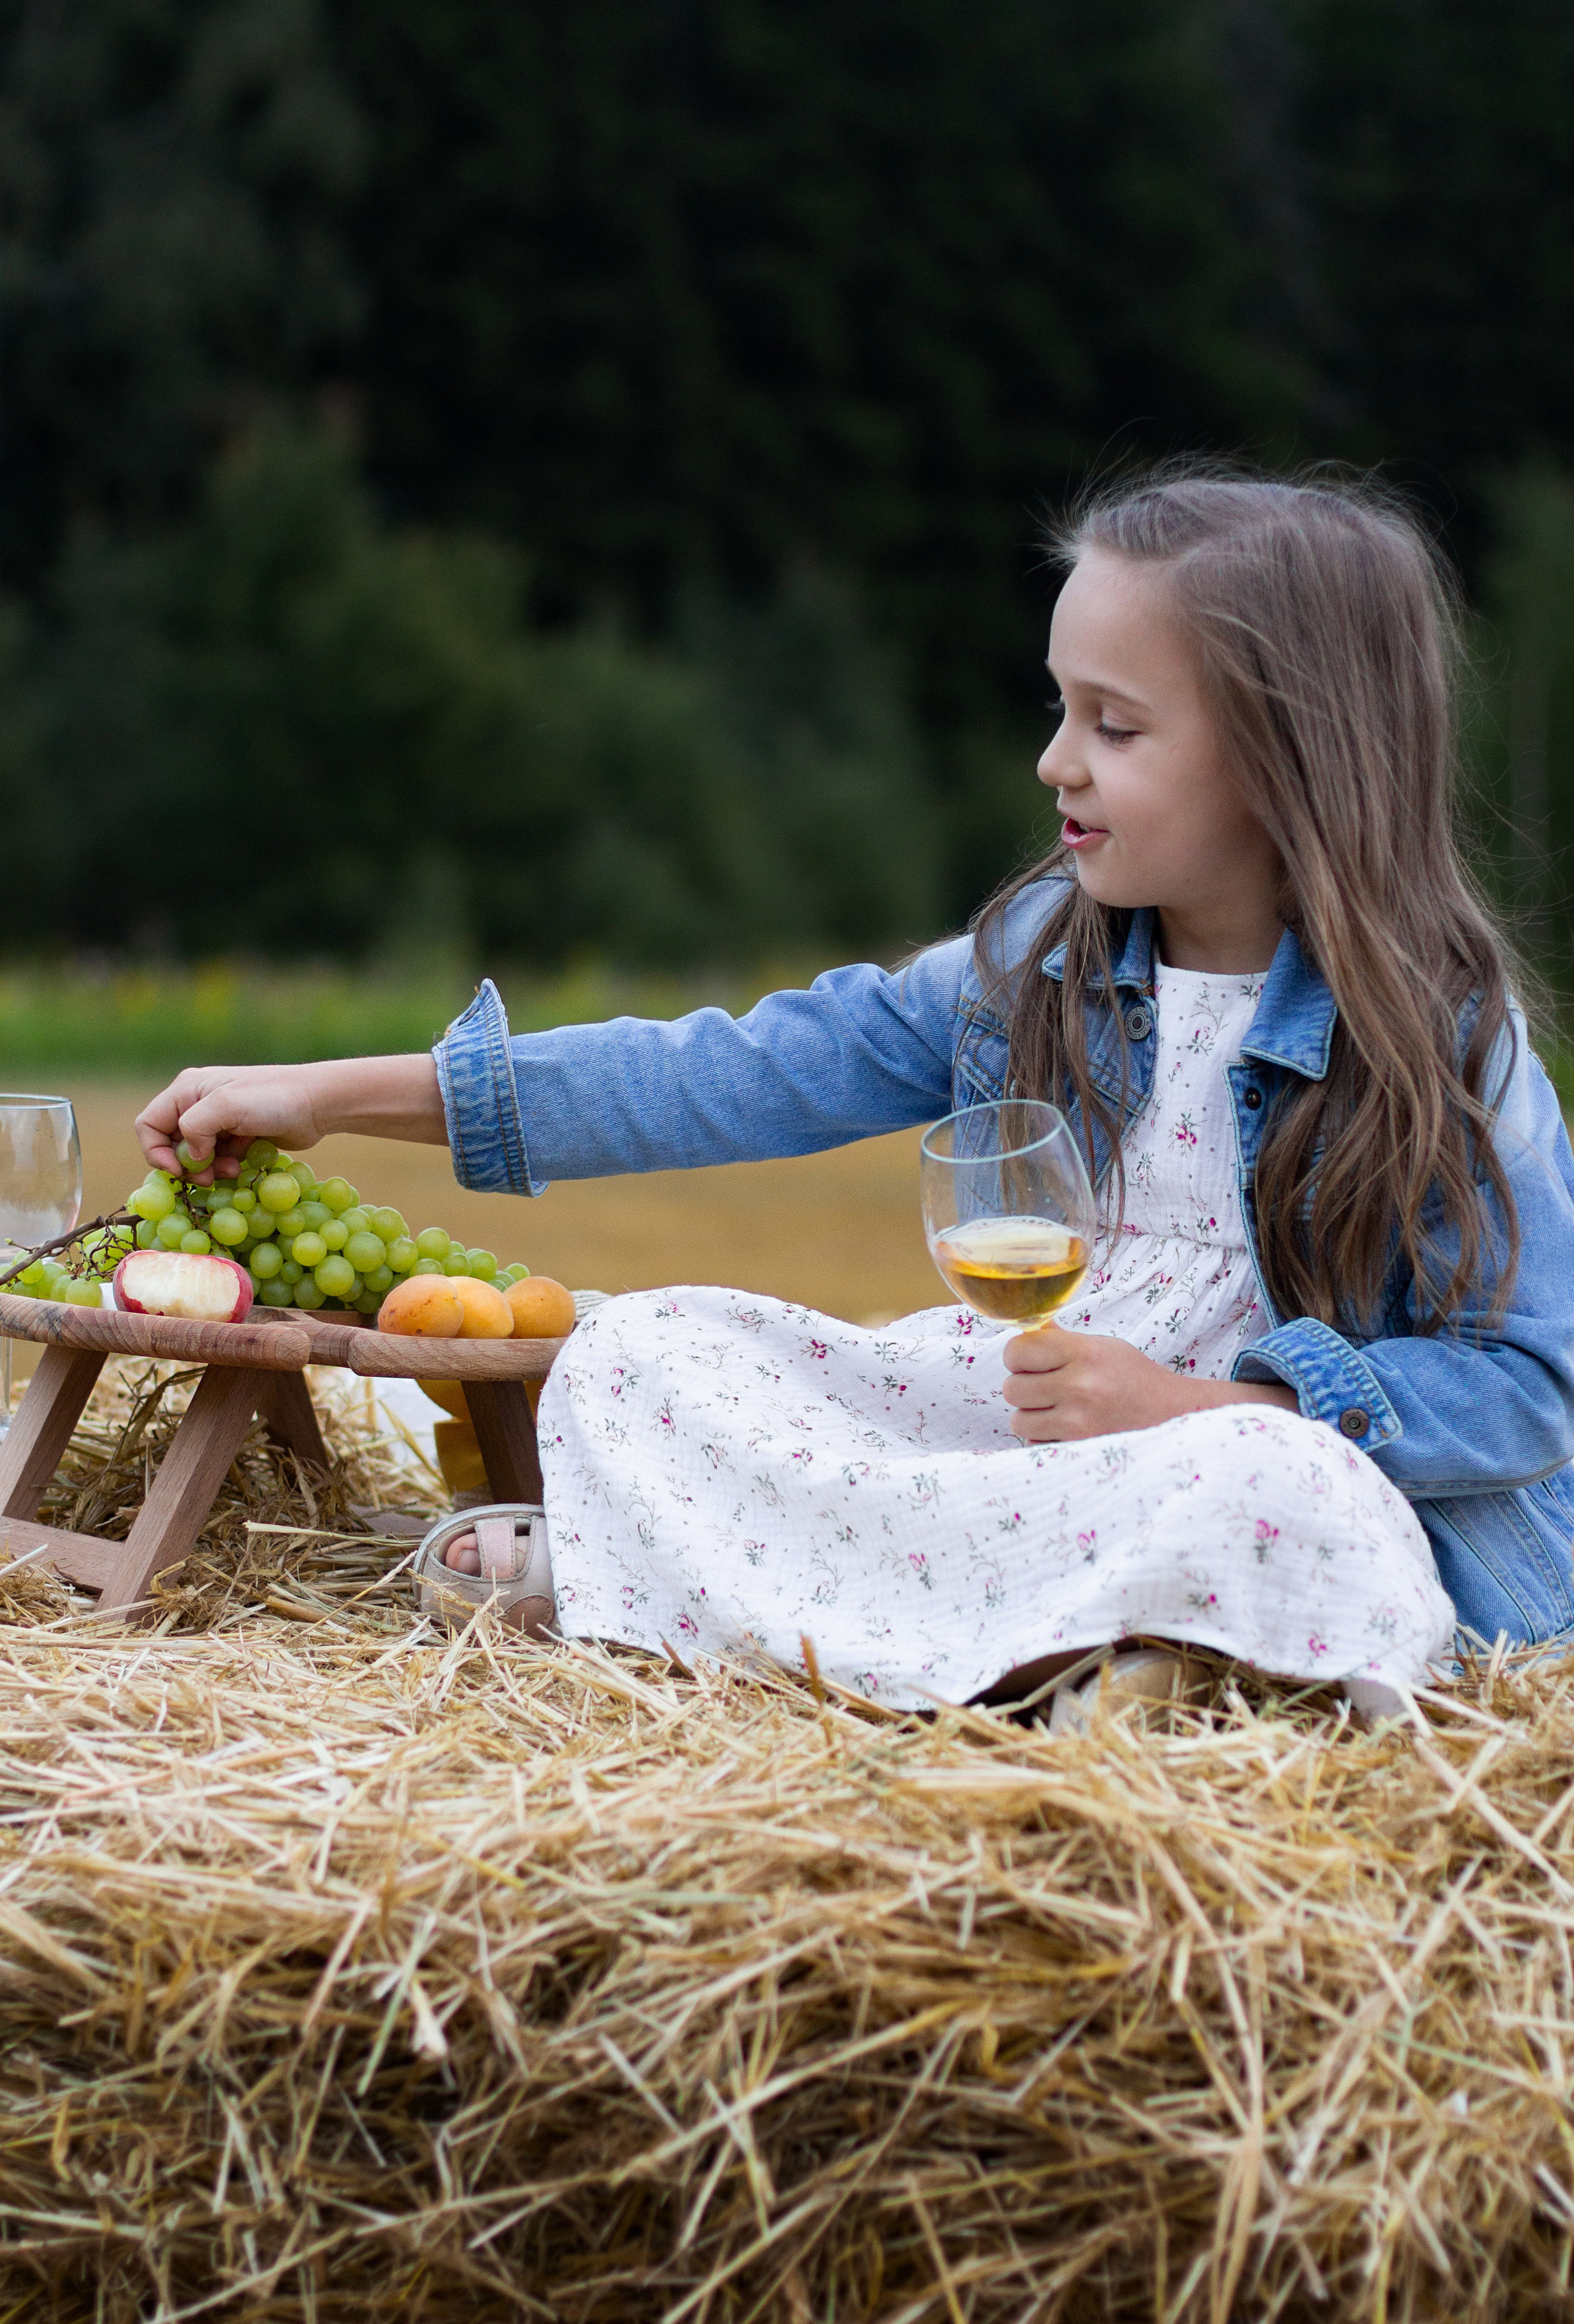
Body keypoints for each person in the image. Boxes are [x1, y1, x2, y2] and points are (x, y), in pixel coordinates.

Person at [136, 471, 1574, 1713]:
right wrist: (332, 1090)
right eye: (1057, 709)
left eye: (1113, 727)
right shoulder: (1030, 964)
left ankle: (761, 1597)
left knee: (1288, 1503)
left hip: (1216, 1459)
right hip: (1014, 1422)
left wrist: (1213, 1403)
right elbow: (733, 1073)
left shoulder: (1437, 1038)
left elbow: (1525, 1390)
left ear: (1287, 759)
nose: (1052, 761)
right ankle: (1055, 1654)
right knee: (644, 1351)